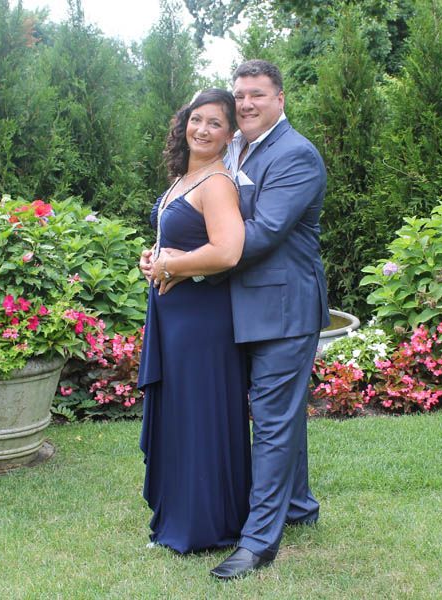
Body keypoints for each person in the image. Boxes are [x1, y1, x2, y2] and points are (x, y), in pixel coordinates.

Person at [144, 59, 329, 579]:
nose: (246, 103)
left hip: (282, 310)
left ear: (281, 99)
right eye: (241, 94)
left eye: (258, 95)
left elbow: (260, 233)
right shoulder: (237, 149)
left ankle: (257, 542)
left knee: (271, 424)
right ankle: (298, 507)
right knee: (279, 419)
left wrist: (179, 261)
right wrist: (170, 251)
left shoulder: (295, 155)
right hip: (232, 309)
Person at [137, 88, 251, 554]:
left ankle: (204, 525)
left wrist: (169, 267)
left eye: (215, 124)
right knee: (180, 416)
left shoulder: (218, 182)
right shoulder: (186, 177)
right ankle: (181, 513)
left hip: (202, 322)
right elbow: (178, 241)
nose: (201, 130)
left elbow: (227, 251)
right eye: (195, 119)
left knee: (198, 416)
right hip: (174, 317)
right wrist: (155, 258)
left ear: (229, 136)